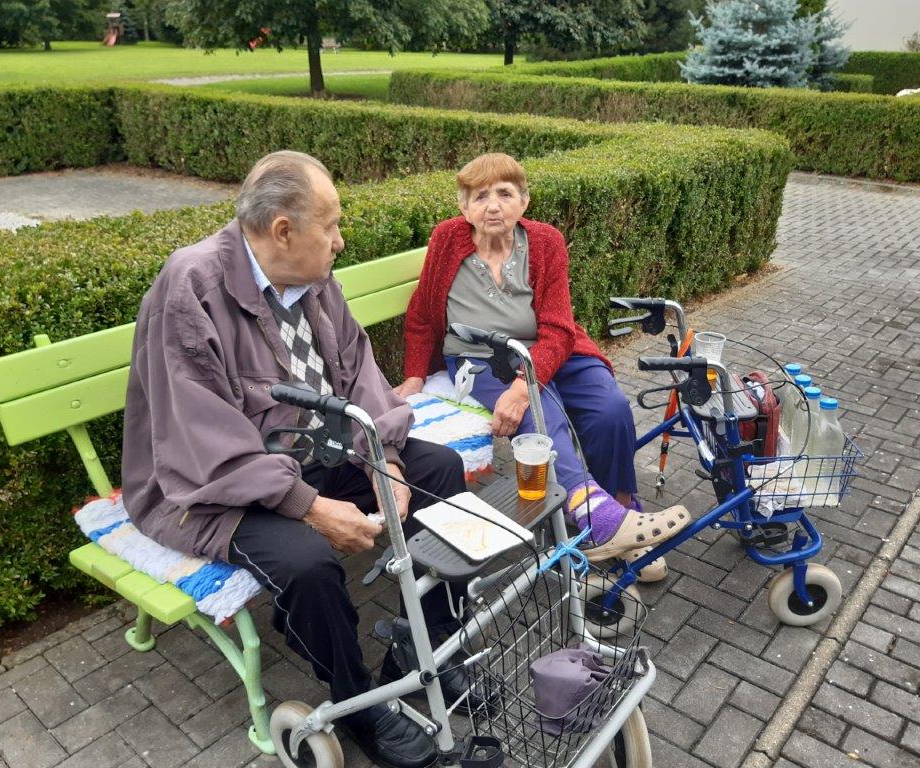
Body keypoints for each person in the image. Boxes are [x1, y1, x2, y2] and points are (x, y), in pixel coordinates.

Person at [122, 150, 469, 768]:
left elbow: (359, 372)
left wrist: (385, 459)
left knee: (439, 471)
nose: (340, 240)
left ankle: (422, 650)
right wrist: (309, 507)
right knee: (308, 562)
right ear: (283, 230)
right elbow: (201, 438)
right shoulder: (191, 285)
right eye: (330, 225)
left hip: (314, 451)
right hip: (213, 486)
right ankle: (356, 700)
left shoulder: (313, 279)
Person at [395, 153, 690, 567]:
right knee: (542, 414)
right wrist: (414, 377)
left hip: (554, 347)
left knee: (610, 410)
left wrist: (522, 387)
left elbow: (557, 328)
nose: (493, 206)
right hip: (483, 358)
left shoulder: (545, 241)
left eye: (505, 194)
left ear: (524, 201)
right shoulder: (447, 239)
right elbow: (422, 316)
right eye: (480, 196)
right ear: (464, 207)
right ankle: (596, 516)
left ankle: (622, 514)